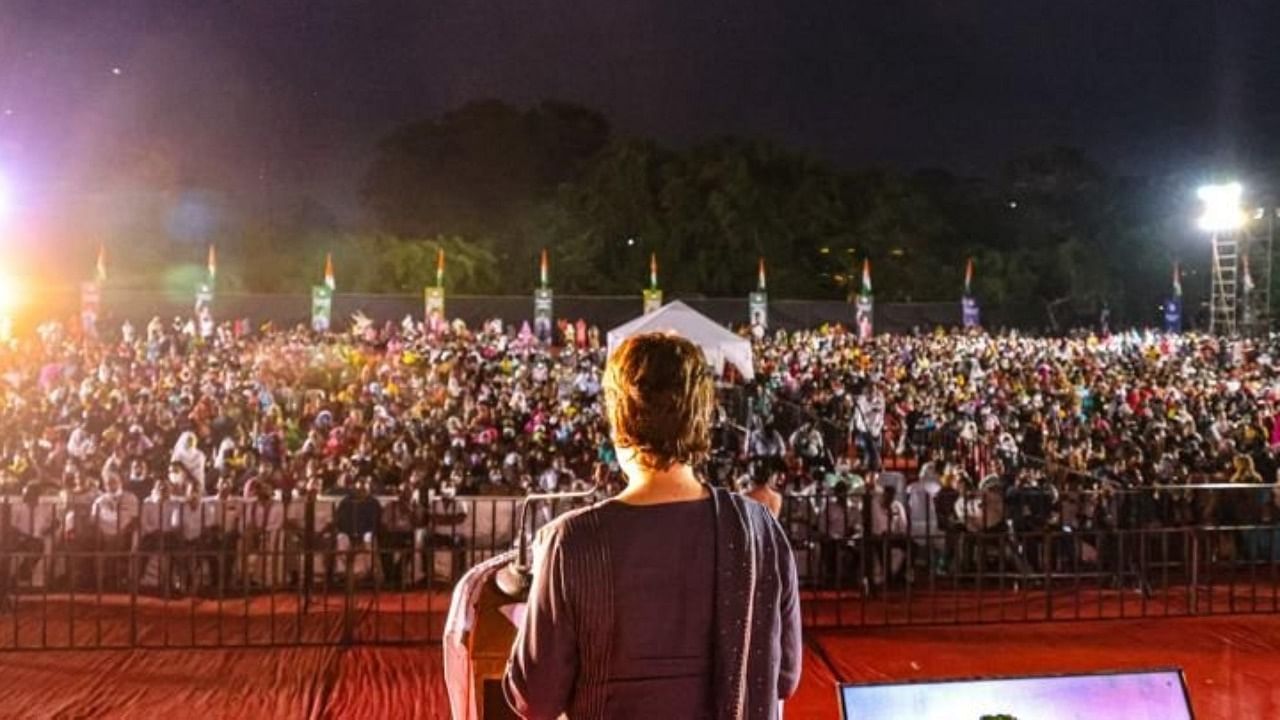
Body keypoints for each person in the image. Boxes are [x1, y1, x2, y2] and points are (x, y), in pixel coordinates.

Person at [504, 332, 801, 720]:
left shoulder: (572, 542)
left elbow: (535, 698)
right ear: (702, 416)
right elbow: (785, 677)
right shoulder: (758, 533)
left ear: (618, 417)